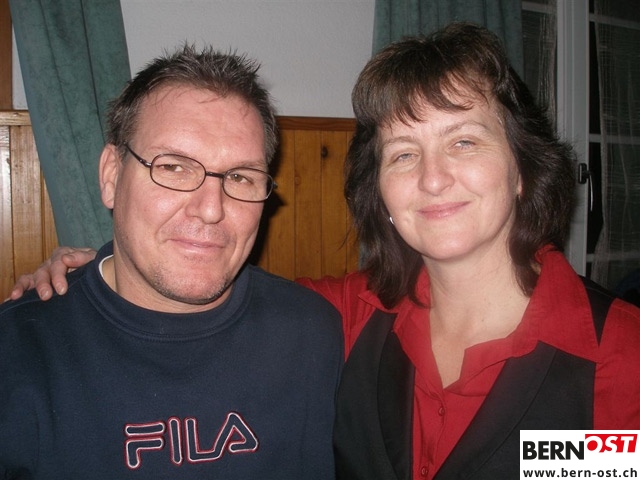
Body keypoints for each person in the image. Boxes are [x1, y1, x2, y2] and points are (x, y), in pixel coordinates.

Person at [12, 23, 640, 479]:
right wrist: (98, 271)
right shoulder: (346, 318)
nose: (433, 178)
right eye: (403, 154)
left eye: (464, 142)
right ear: (381, 189)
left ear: (522, 168)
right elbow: (193, 283)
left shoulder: (620, 357)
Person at [0, 45, 343, 480]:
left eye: (240, 176)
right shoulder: (16, 353)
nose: (211, 209)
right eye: (174, 167)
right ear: (111, 176)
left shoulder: (314, 334)